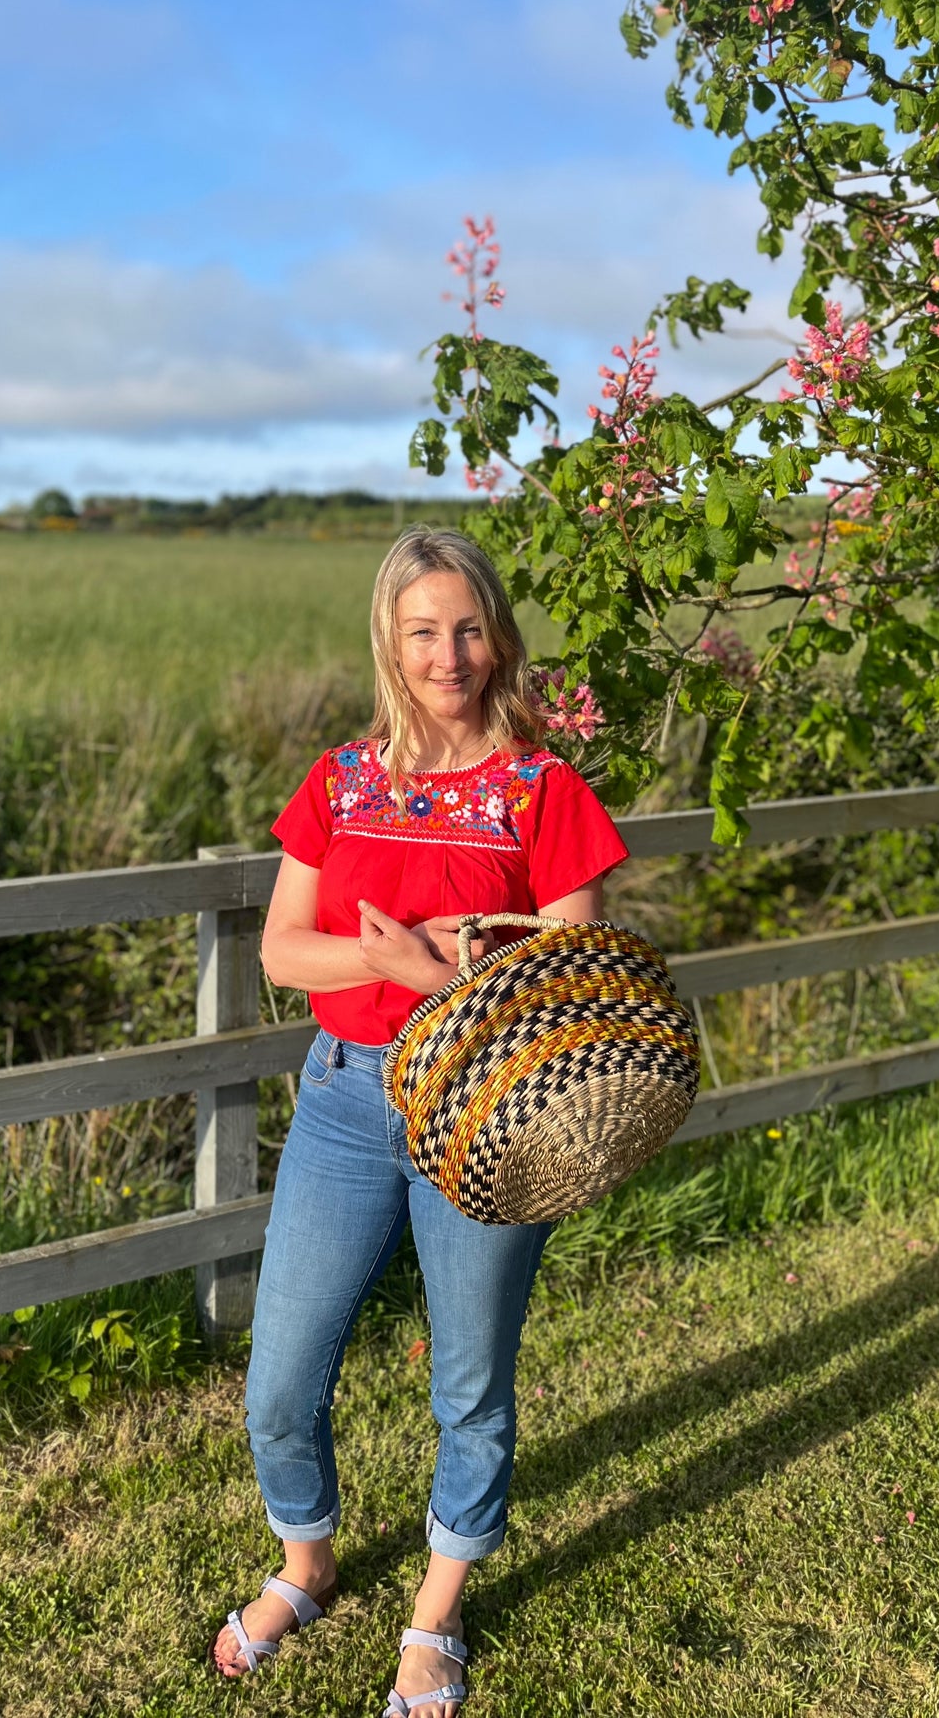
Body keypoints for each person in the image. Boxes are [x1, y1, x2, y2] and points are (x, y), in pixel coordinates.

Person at [212, 528, 628, 1715]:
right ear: (389, 643)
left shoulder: (543, 789)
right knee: (280, 1379)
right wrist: (381, 956)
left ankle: (433, 1618)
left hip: (493, 1107)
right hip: (345, 1094)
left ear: (495, 634)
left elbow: (574, 980)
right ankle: (307, 1564)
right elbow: (282, 950)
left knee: (470, 1381)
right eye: (420, 631)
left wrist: (445, 984)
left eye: (466, 627)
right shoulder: (340, 780)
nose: (447, 654)